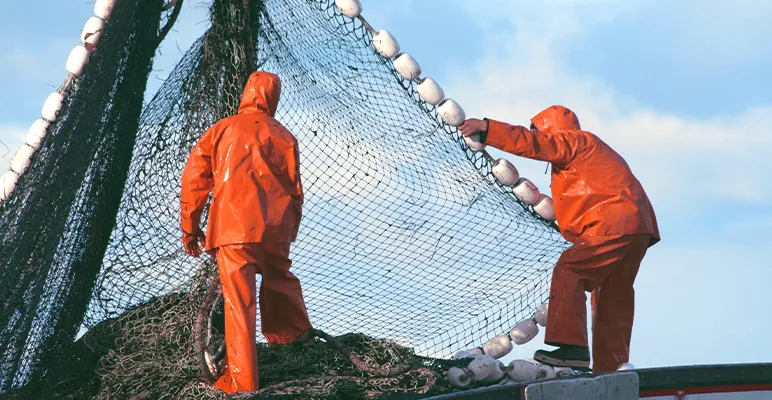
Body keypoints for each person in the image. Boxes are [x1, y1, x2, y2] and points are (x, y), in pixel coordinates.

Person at [459, 105, 659, 373]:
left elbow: (533, 143)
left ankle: (571, 347)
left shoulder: (574, 141)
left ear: (551, 130)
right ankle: (610, 369)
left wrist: (488, 129)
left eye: (539, 131)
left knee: (570, 269)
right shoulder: (588, 154)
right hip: (636, 229)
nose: (536, 135)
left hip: (611, 222)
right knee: (612, 298)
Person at [180, 71, 313, 393]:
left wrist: (190, 228)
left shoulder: (221, 130)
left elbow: (194, 180)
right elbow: (295, 191)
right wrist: (287, 232)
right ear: (272, 98)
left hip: (232, 232)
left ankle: (242, 384)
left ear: (246, 94)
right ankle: (294, 346)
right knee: (280, 282)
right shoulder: (284, 136)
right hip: (275, 231)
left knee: (239, 306)